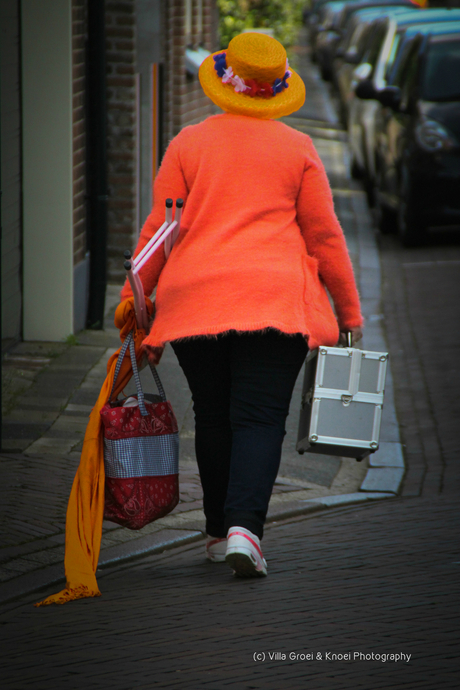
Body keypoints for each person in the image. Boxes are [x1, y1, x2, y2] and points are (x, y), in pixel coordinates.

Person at [119, 32, 363, 578]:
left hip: (196, 302)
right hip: (274, 303)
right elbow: (325, 238)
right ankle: (244, 531)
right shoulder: (297, 148)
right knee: (258, 418)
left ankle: (214, 532)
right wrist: (349, 315)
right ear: (275, 89)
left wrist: (131, 301)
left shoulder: (188, 142)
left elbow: (162, 229)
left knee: (213, 416)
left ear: (225, 83)